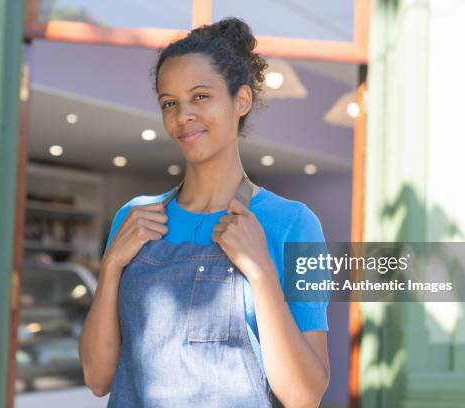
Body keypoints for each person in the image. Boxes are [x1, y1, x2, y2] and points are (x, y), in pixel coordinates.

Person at [78, 17, 330, 407]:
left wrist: (261, 271)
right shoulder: (134, 217)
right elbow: (97, 378)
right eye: (169, 103)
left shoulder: (294, 223)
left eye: (200, 96)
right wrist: (111, 266)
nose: (183, 116)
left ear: (240, 101)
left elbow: (304, 396)